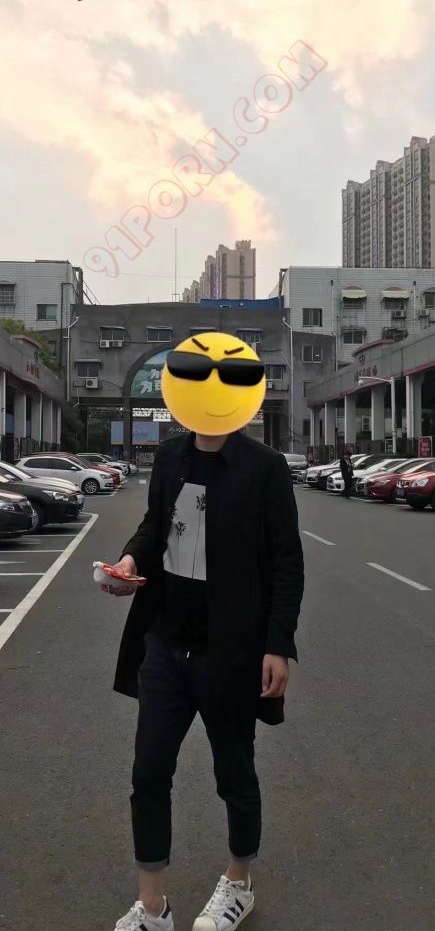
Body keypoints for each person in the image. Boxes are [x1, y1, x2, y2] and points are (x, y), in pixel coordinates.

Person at [102, 333, 304, 931]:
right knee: (148, 774)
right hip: (165, 643)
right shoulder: (170, 457)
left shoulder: (264, 469)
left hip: (230, 650)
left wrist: (278, 644)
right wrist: (130, 561)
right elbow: (155, 525)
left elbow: (287, 562)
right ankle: (153, 907)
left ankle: (239, 882)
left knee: (233, 773)